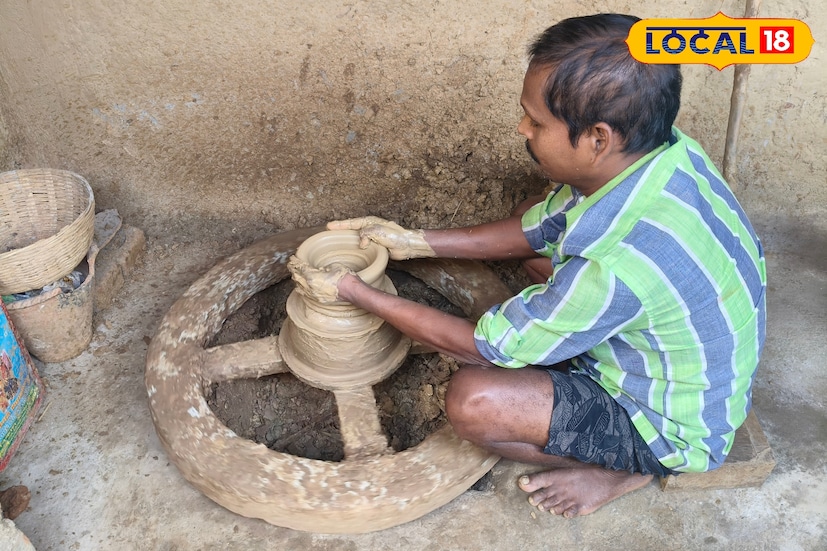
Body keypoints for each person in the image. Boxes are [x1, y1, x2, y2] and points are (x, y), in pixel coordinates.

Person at [288, 13, 766, 518]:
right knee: (529, 221)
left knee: (476, 401)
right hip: (688, 351)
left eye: (536, 122)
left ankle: (627, 470)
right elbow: (536, 228)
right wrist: (412, 242)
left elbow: (486, 348)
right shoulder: (665, 152)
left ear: (598, 139)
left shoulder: (618, 265)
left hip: (672, 423)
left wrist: (354, 291)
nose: (523, 128)